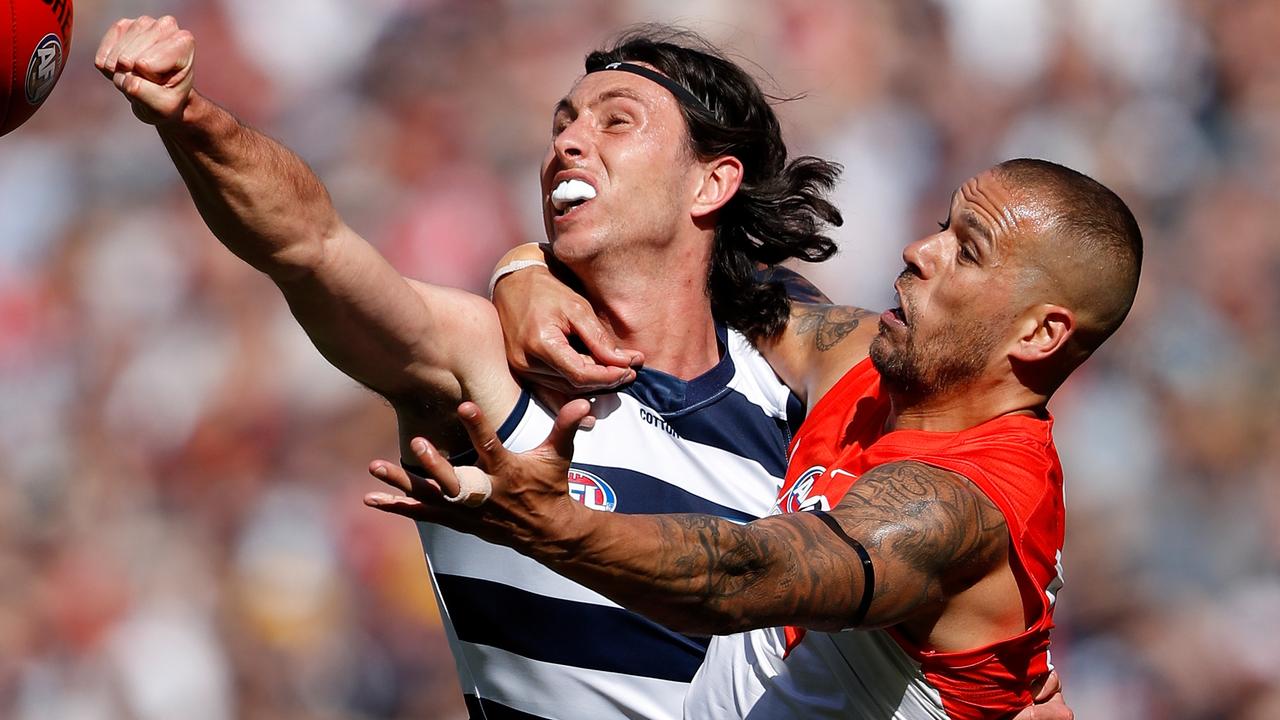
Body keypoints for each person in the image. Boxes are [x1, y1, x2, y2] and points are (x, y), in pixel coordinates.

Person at [92, 15, 856, 720]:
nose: (568, 142)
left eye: (616, 121)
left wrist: (518, 266)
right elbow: (310, 246)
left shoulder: (795, 392)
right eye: (564, 122)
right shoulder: (492, 366)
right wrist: (192, 117)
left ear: (711, 183)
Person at [366, 158, 1139, 718]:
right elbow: (696, 275)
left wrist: (554, 528)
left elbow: (744, 576)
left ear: (1042, 332)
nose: (918, 250)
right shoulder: (861, 369)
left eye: (966, 250)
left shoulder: (960, 509)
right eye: (942, 227)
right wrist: (523, 269)